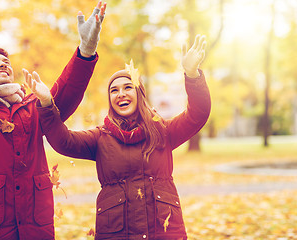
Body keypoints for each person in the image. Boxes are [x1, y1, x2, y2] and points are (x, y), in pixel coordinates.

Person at [0, 0, 106, 239]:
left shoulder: (31, 109)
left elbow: (64, 95)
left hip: (34, 229)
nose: (3, 63)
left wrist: (86, 52)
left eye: (6, 62)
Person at [27, 35, 210, 239]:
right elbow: (64, 142)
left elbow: (198, 114)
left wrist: (192, 75)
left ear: (139, 93)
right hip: (117, 232)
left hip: (164, 231)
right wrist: (46, 104)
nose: (120, 94)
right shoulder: (100, 137)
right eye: (114, 90)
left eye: (127, 87)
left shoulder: (162, 131)